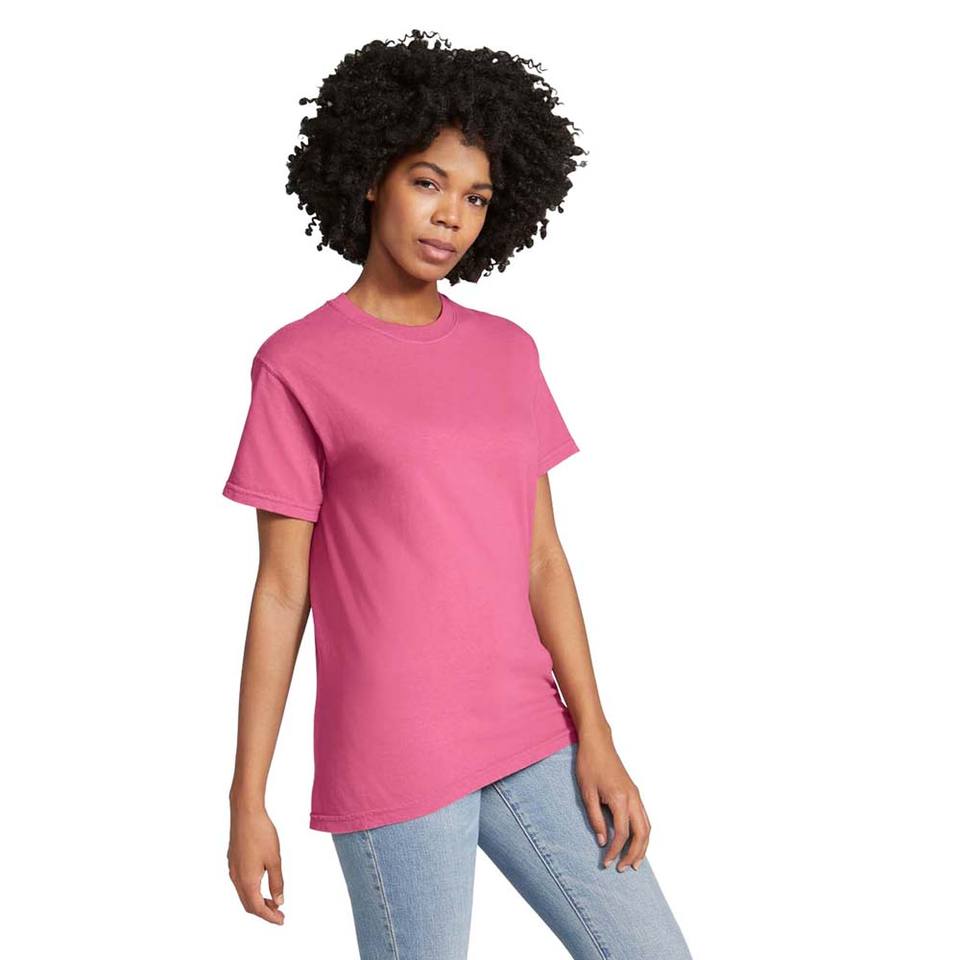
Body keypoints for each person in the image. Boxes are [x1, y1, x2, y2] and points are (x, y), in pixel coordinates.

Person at [222, 28, 693, 959]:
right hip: (393, 748)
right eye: (428, 182)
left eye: (475, 196)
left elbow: (542, 558)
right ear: (371, 177)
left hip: (531, 729)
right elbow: (281, 592)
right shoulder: (297, 364)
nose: (450, 218)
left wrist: (596, 734)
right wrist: (248, 799)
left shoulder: (508, 352)